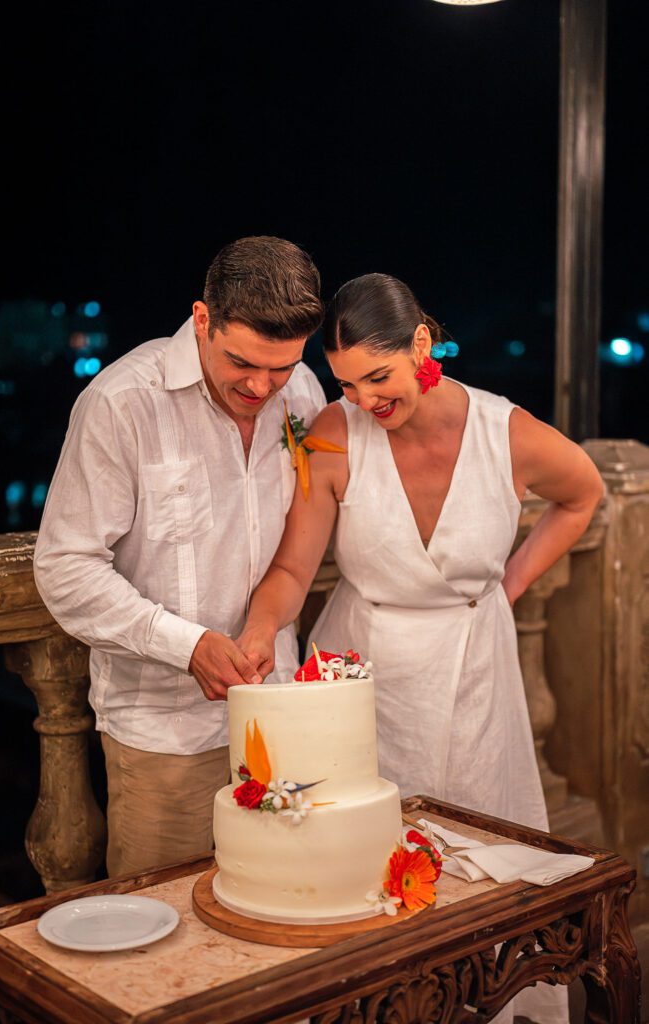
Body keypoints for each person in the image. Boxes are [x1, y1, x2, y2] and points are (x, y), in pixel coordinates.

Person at [239, 272, 604, 1024]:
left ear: (420, 345)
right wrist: (253, 634)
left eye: (378, 377)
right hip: (360, 674)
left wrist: (504, 589)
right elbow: (289, 570)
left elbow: (582, 495)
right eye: (346, 384)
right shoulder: (335, 438)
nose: (367, 400)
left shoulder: (507, 432)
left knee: (482, 864)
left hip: (475, 672)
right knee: (360, 867)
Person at [33, 236, 325, 876]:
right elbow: (65, 568)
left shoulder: (302, 395)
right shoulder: (122, 403)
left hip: (278, 714)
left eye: (281, 366)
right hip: (163, 734)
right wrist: (186, 644)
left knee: (284, 909)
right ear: (202, 320)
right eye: (243, 362)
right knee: (165, 936)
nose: (262, 385)